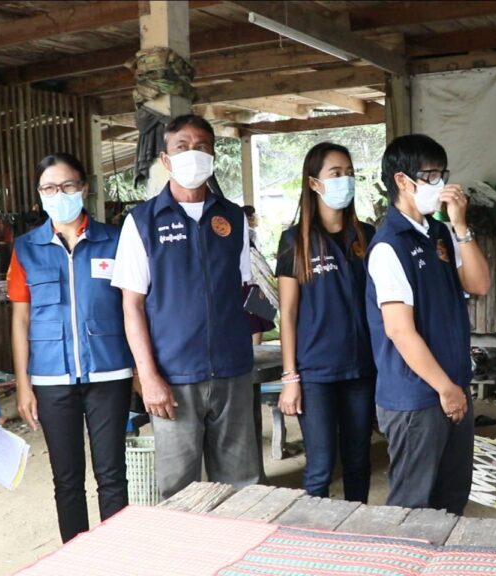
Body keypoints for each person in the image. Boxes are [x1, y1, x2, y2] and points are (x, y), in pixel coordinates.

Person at [111, 113, 259, 499]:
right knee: (180, 491)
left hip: (232, 372)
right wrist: (148, 377)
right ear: (166, 159)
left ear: (213, 157)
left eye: (201, 147)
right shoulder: (142, 222)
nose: (193, 154)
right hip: (173, 377)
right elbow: (132, 307)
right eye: (182, 147)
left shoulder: (233, 218)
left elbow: (242, 289)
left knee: (242, 485)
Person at [7, 153, 134, 543]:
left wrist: (139, 369)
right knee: (66, 480)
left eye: (67, 186)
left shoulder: (116, 240)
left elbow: (133, 308)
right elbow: (21, 319)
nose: (58, 194)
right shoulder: (25, 248)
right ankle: (76, 559)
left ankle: (117, 558)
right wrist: (24, 385)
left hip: (109, 371)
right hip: (51, 378)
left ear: (84, 188)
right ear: (39, 194)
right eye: (49, 188)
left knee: (112, 475)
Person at [366, 134, 490, 515]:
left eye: (442, 174)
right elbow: (399, 331)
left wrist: (460, 226)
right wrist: (446, 389)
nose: (441, 184)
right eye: (430, 175)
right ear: (402, 181)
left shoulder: (440, 234)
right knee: (412, 507)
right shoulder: (389, 245)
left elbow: (479, 284)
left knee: (451, 499)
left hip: (453, 386)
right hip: (417, 398)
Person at [276, 142, 376, 502]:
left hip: (361, 368)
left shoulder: (367, 236)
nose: (344, 180)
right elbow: (287, 313)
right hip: (315, 372)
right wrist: (290, 378)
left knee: (358, 460)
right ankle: (312, 533)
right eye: (335, 173)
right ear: (314, 183)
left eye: (349, 173)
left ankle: (356, 529)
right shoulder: (294, 241)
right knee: (320, 466)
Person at [241, 204, 276, 345]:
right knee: (257, 321)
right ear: (249, 218)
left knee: (252, 320)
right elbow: (257, 260)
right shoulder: (251, 234)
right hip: (254, 280)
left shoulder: (240, 233)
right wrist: (263, 285)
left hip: (245, 281)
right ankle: (256, 350)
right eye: (254, 216)